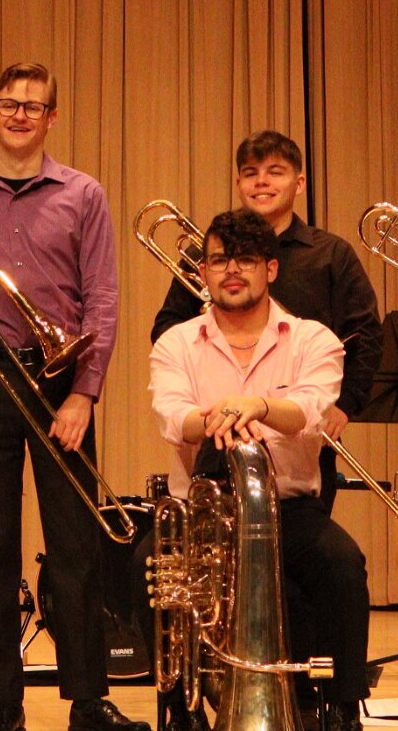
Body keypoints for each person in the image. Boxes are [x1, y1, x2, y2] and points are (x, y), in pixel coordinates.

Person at [0, 61, 147, 731]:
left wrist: (84, 393)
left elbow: (101, 298)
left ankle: (88, 700)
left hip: (60, 378)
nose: (19, 115)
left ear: (52, 117)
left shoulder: (83, 193)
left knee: (75, 543)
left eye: (33, 105)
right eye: (8, 103)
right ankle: (3, 701)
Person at [147, 208, 374, 731]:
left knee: (344, 566)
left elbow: (312, 412)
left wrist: (260, 407)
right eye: (219, 260)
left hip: (286, 510)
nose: (231, 271)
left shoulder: (312, 338)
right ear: (203, 271)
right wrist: (219, 416)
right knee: (149, 568)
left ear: (270, 269)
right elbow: (173, 416)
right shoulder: (177, 341)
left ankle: (343, 719)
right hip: (205, 510)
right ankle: (181, 720)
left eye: (245, 260)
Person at [149, 129, 383, 515]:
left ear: (299, 183)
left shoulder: (330, 254)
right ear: (238, 183)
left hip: (297, 433)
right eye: (250, 173)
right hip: (213, 438)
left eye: (275, 172)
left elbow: (366, 333)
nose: (261, 182)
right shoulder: (202, 252)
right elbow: (168, 326)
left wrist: (343, 405)